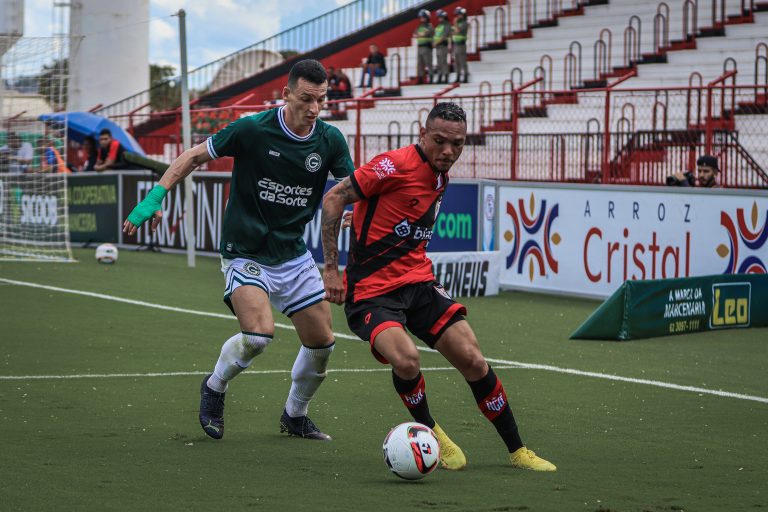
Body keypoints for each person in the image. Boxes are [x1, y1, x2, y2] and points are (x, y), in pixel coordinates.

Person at [123, 59, 354, 442]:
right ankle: (214, 387)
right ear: (286, 95)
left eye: (322, 100)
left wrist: (355, 211)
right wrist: (155, 196)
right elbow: (193, 156)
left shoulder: (329, 139)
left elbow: (349, 187)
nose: (314, 109)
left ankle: (295, 415)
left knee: (322, 344)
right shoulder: (252, 129)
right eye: (306, 99)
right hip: (245, 251)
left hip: (293, 254)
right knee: (259, 336)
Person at [320, 102, 556, 472]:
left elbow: (390, 209)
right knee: (407, 359)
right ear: (422, 134)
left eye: (457, 144)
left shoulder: (440, 174)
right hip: (371, 291)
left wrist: (364, 215)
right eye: (440, 141)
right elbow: (334, 196)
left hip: (419, 282)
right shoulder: (394, 164)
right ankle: (433, 435)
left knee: (474, 360)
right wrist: (331, 270)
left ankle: (518, 450)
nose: (448, 151)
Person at [413, 9, 434, 84]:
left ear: (427, 17)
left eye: (423, 17)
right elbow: (414, 34)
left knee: (428, 63)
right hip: (420, 47)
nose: (421, 19)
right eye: (421, 17)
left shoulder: (430, 26)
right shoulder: (420, 26)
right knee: (420, 64)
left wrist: (420, 34)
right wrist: (420, 34)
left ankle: (431, 78)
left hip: (427, 47)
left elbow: (424, 34)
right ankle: (420, 79)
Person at [433, 10, 452, 84]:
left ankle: (446, 77)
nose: (439, 18)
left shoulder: (447, 25)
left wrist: (436, 42)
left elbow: (444, 36)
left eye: (440, 17)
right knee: (439, 63)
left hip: (443, 45)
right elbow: (436, 35)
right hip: (438, 46)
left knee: (443, 62)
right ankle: (440, 77)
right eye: (438, 17)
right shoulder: (439, 25)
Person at [452, 7, 470, 83]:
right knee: (457, 62)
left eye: (459, 14)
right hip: (456, 44)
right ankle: (458, 76)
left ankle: (465, 76)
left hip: (461, 44)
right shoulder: (458, 23)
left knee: (462, 61)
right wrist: (456, 28)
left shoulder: (465, 23)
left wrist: (455, 24)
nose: (457, 16)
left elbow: (458, 30)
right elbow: (453, 32)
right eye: (457, 14)